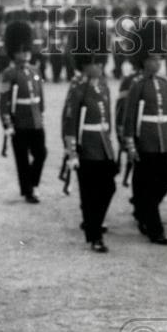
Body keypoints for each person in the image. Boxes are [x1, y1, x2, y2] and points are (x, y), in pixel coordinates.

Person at [61, 16, 117, 253]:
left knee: (109, 187)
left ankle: (93, 222)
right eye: (96, 62)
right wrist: (71, 151)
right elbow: (70, 121)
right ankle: (94, 235)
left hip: (103, 144)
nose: (100, 66)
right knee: (89, 192)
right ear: (86, 63)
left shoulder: (101, 84)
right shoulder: (78, 86)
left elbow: (108, 119)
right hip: (87, 146)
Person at [122, 17, 167, 245]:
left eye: (159, 58)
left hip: (163, 142)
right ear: (143, 60)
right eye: (153, 58)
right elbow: (129, 118)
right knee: (147, 184)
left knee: (165, 181)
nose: (157, 63)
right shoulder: (137, 84)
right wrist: (131, 144)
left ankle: (144, 209)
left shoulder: (164, 84)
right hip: (145, 142)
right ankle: (155, 229)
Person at [0, 17, 47, 204]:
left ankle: (32, 183)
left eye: (26, 50)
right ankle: (28, 191)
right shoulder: (8, 74)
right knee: (22, 159)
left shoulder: (35, 70)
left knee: (41, 154)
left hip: (35, 120)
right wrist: (7, 123)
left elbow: (40, 96)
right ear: (13, 53)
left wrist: (41, 114)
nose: (24, 54)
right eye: (20, 51)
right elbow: (3, 102)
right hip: (18, 122)